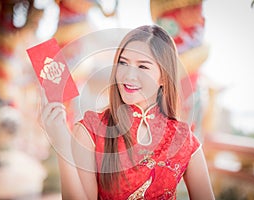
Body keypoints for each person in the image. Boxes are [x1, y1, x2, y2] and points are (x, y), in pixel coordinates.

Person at [41, 25, 215, 200]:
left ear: (164, 76)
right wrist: (62, 144)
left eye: (143, 67)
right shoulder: (90, 130)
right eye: (123, 63)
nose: (129, 75)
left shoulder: (183, 140)